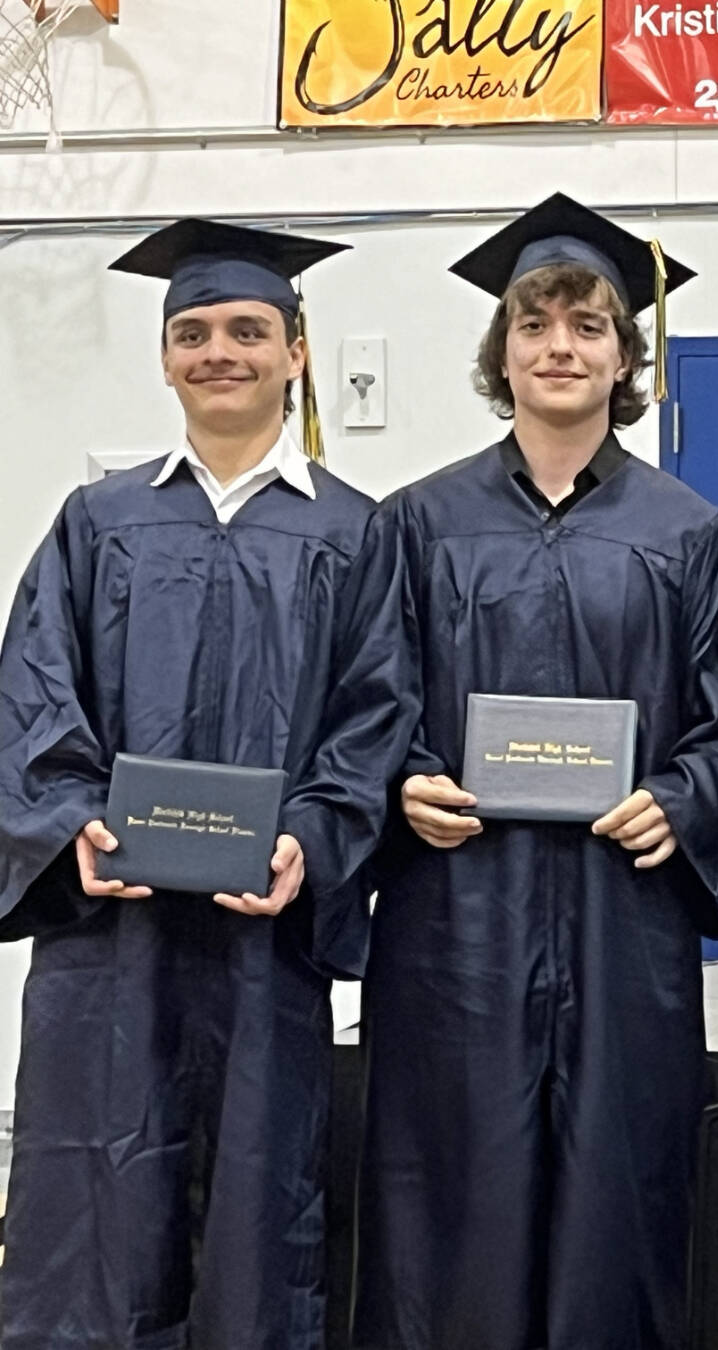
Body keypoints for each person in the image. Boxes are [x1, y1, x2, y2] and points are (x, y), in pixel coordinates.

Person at [352, 195, 718, 1350]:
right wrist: (403, 783)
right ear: (504, 352)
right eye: (536, 326)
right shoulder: (419, 523)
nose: (562, 347)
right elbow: (368, 701)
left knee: (616, 1202)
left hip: (617, 916)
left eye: (589, 326)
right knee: (448, 1194)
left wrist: (680, 800)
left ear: (627, 356)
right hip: (454, 918)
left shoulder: (691, 533)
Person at [0, 221, 415, 1350]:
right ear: (165, 356)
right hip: (110, 935)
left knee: (254, 1195)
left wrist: (312, 844)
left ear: (295, 351)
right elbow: (34, 695)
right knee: (94, 1193)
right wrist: (70, 820)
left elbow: (376, 720)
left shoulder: (355, 532)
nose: (216, 351)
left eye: (246, 330)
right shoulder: (100, 521)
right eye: (192, 333)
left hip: (258, 932)